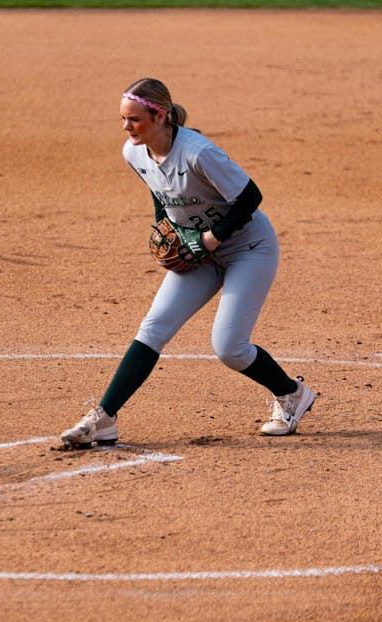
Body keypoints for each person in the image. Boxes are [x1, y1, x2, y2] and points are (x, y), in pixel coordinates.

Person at [59, 78, 315, 449]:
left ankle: (292, 395)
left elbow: (250, 197)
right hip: (195, 250)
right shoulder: (134, 152)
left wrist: (210, 239)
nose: (126, 127)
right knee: (153, 327)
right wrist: (168, 232)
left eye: (134, 119)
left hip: (248, 247)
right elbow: (160, 191)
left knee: (228, 347)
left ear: (159, 115)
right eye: (122, 119)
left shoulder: (198, 152)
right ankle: (104, 419)